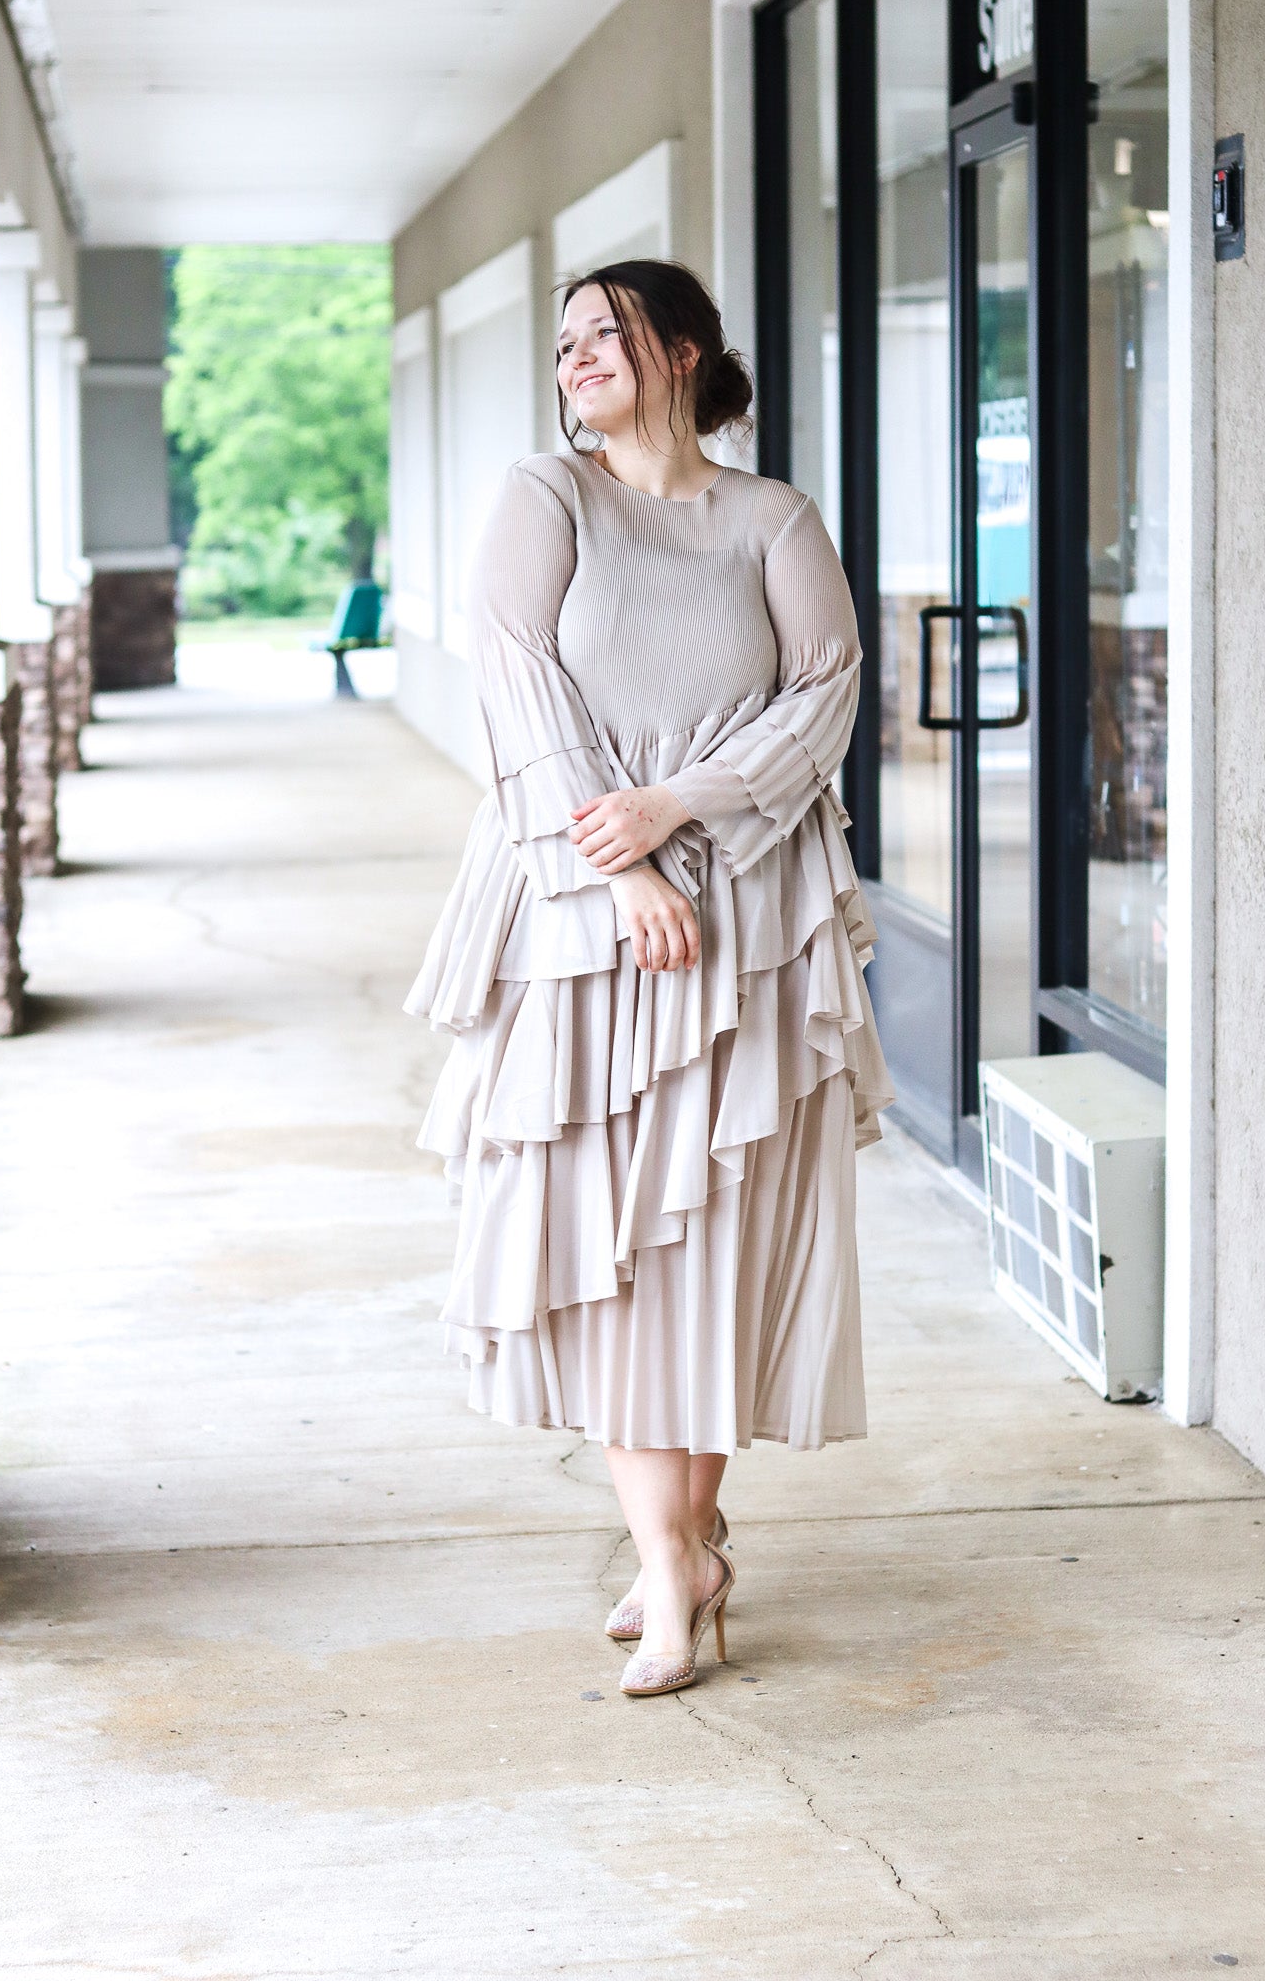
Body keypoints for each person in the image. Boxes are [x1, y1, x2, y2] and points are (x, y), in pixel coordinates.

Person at [406, 258, 892, 1698]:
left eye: (600, 336)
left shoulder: (769, 518)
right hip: (579, 923)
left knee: (707, 1243)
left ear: (678, 351)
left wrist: (680, 809)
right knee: (608, 1245)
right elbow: (515, 679)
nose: (572, 362)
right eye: (560, 344)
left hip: (744, 918)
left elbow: (828, 686)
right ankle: (678, 1569)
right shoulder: (547, 495)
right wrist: (616, 867)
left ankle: (680, 1537)